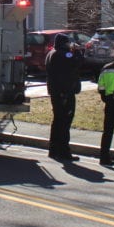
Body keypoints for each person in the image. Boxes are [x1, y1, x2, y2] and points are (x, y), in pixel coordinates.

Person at [45, 32, 84, 162]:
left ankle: (53, 150)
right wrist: (77, 51)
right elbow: (76, 61)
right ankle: (63, 152)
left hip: (56, 92)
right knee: (64, 122)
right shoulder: (62, 54)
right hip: (64, 92)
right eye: (67, 43)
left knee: (57, 121)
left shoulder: (51, 53)